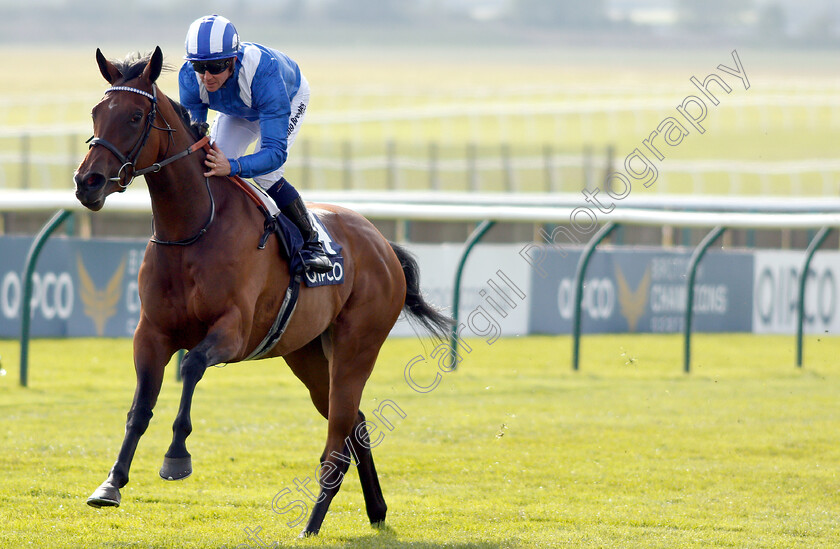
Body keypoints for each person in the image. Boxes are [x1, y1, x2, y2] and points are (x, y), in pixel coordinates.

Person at [179, 14, 332, 273]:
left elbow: (274, 153)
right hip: (238, 108)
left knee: (267, 175)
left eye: (216, 66)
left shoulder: (264, 74)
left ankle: (312, 243)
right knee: (210, 163)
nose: (206, 76)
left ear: (233, 60)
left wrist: (234, 166)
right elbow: (194, 137)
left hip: (285, 98)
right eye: (199, 66)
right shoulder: (189, 77)